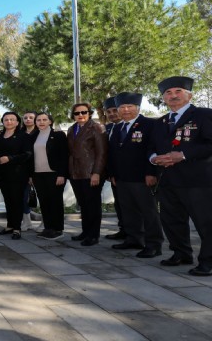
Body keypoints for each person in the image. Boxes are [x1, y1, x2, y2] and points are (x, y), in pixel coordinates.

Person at [149, 76, 212, 276]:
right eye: (168, 93)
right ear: (163, 98)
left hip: (196, 180)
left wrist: (182, 155)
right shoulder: (160, 122)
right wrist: (154, 159)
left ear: (189, 95)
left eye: (178, 91)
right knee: (172, 220)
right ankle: (181, 253)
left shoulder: (204, 115)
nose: (173, 96)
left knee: (205, 222)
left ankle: (211, 261)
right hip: (168, 179)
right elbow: (152, 148)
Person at [107, 92, 164, 258]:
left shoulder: (149, 125)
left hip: (142, 177)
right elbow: (112, 153)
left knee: (149, 212)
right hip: (122, 178)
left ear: (137, 108)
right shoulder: (117, 128)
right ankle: (134, 239)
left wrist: (151, 173)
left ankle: (154, 244)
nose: (125, 110)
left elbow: (153, 149)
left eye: (129, 107)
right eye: (122, 107)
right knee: (128, 211)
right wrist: (112, 174)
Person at [67, 102, 107, 246]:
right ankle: (85, 232)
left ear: (89, 113)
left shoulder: (96, 127)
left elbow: (101, 153)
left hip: (91, 172)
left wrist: (96, 173)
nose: (80, 115)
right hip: (76, 173)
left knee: (93, 205)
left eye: (84, 112)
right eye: (77, 113)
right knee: (83, 204)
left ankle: (93, 235)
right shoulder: (72, 129)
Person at [0, 112, 32, 240]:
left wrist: (10, 159)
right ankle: (9, 226)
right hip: (3, 175)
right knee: (8, 201)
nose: (9, 121)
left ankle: (17, 228)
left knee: (17, 201)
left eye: (12, 119)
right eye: (6, 119)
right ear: (2, 122)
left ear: (17, 122)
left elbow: (28, 154)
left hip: (18, 175)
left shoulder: (23, 136)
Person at [30, 112, 68, 240]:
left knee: (55, 201)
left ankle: (58, 229)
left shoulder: (58, 135)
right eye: (38, 120)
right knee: (44, 202)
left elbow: (64, 156)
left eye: (44, 119)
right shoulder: (33, 136)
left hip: (54, 174)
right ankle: (48, 228)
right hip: (38, 174)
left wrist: (62, 174)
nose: (41, 122)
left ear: (50, 121)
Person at [103, 96, 126, 241]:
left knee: (133, 206)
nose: (111, 114)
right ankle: (123, 229)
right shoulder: (108, 128)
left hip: (132, 175)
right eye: (108, 111)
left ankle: (139, 233)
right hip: (114, 175)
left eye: (114, 110)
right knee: (120, 204)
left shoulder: (130, 127)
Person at [21, 110, 38, 231]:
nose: (28, 119)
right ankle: (27, 222)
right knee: (23, 197)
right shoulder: (20, 133)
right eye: (25, 117)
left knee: (42, 197)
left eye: (31, 117)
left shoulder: (40, 133)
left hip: (40, 169)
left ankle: (45, 223)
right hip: (23, 171)